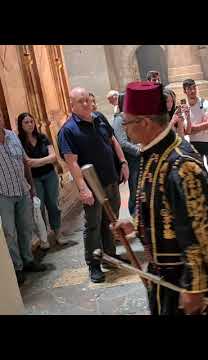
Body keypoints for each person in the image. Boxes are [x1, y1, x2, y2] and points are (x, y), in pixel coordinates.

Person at [113, 81, 208, 315]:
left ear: (144, 122)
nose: (124, 130)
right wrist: (136, 226)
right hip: (164, 280)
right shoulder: (152, 153)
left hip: (187, 286)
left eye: (126, 123)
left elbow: (201, 231)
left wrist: (195, 287)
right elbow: (164, 209)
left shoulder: (182, 165)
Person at [57, 87, 130, 283]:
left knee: (110, 220)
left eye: (88, 99)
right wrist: (83, 188)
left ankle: (109, 256)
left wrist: (122, 162)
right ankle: (94, 264)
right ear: (72, 105)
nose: (87, 104)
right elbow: (72, 163)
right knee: (93, 226)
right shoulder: (68, 130)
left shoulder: (98, 117)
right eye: (81, 101)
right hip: (92, 186)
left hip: (111, 179)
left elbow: (112, 140)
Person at [0, 112, 46, 285]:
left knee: (26, 227)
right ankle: (17, 267)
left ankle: (28, 260)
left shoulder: (11, 136)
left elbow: (25, 162)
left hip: (22, 190)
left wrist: (31, 186)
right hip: (3, 195)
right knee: (10, 233)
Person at [17, 112, 67, 247]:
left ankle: (58, 233)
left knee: (53, 205)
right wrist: (44, 161)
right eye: (26, 122)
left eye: (31, 121)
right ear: (21, 125)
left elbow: (53, 157)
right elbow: (27, 162)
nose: (29, 124)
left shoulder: (42, 137)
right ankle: (44, 238)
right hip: (34, 179)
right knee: (39, 208)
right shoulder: (19, 141)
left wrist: (36, 162)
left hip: (50, 175)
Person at [183, 79, 208, 207]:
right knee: (201, 171)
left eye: (194, 88)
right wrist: (197, 126)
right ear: (185, 91)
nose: (192, 91)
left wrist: (194, 127)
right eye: (189, 89)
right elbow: (187, 131)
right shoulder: (184, 108)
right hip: (195, 143)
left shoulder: (205, 103)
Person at [112, 93, 141, 216]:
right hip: (131, 159)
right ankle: (135, 216)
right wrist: (139, 150)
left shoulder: (131, 117)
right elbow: (122, 143)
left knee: (141, 189)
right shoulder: (119, 120)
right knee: (135, 190)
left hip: (139, 158)